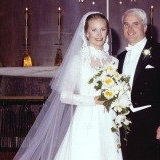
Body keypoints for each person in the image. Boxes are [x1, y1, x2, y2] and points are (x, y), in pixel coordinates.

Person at [14, 12, 122, 160]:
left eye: (103, 29)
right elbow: (64, 96)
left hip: (107, 118)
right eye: (94, 29)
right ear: (86, 33)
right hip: (84, 117)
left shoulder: (113, 62)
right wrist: (92, 100)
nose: (99, 34)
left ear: (107, 32)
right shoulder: (78, 61)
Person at [117, 8, 160, 160]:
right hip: (126, 124)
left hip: (151, 124)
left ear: (144, 27)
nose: (130, 29)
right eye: (126, 24)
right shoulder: (120, 58)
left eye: (135, 24)